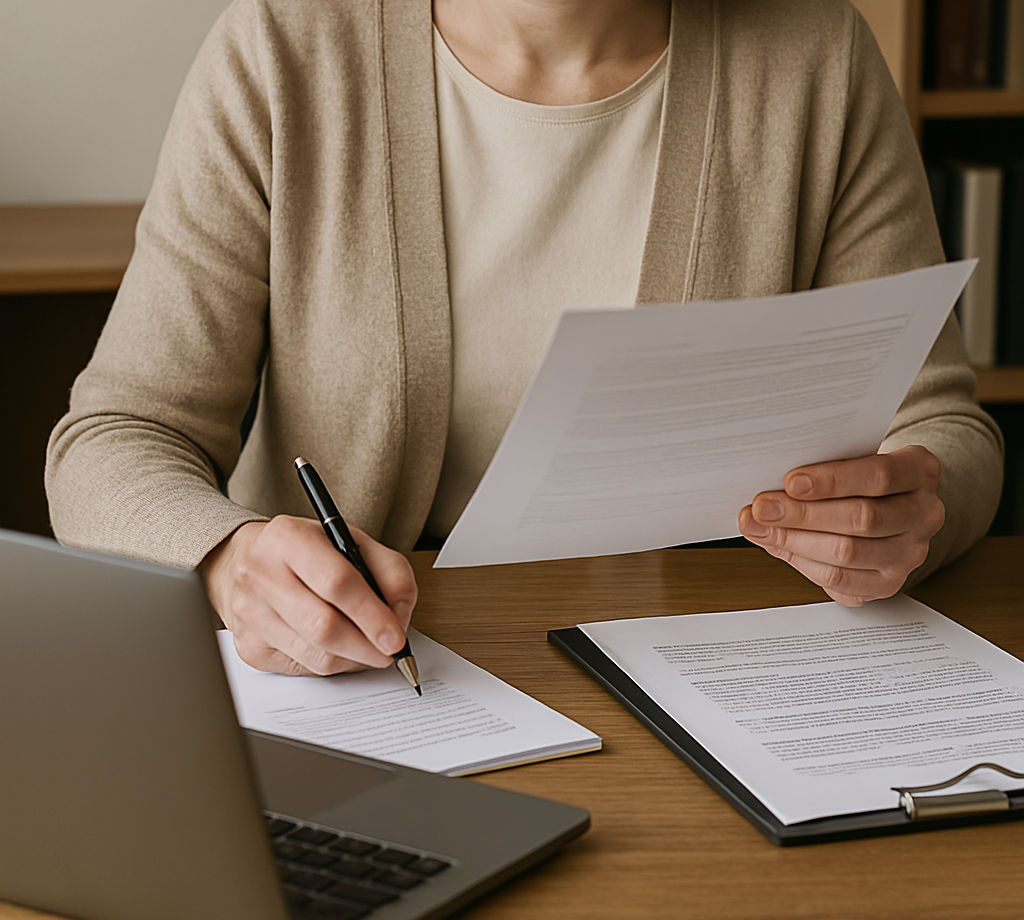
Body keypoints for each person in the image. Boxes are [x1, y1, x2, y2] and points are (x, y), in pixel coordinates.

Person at [46, 0, 1003, 678]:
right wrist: (229, 558)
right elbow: (115, 439)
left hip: (712, 673)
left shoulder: (817, 56)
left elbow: (945, 429)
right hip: (369, 683)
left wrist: (909, 516)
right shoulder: (281, 51)